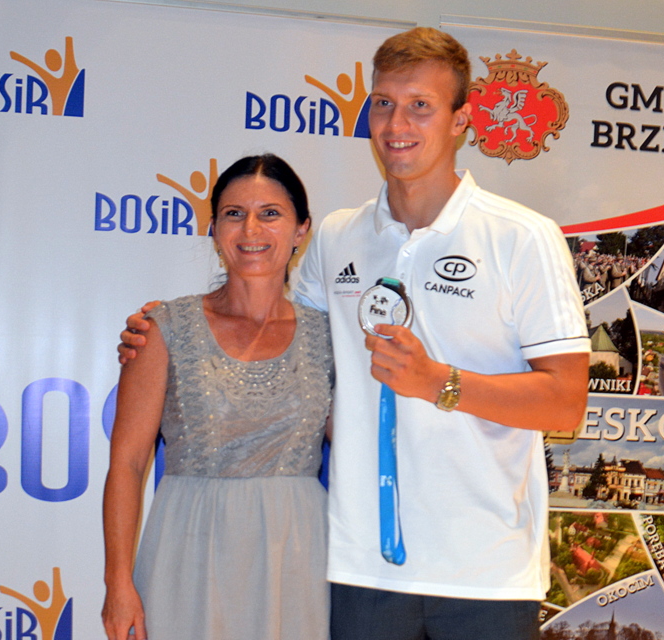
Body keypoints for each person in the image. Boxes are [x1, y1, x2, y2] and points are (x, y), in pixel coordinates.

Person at [120, 28, 588, 640]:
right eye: (384, 103)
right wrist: (173, 329)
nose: (398, 123)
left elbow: (565, 402)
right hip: (357, 570)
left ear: (461, 120)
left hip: (484, 573)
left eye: (421, 105)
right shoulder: (338, 238)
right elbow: (278, 336)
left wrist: (438, 382)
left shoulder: (522, 237)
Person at [102, 154, 334, 640]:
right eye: (234, 213)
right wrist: (118, 583)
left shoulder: (329, 337)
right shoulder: (164, 328)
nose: (251, 228)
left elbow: (362, 443)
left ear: (301, 230)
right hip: (187, 549)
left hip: (298, 557)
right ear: (214, 229)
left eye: (270, 213)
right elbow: (127, 463)